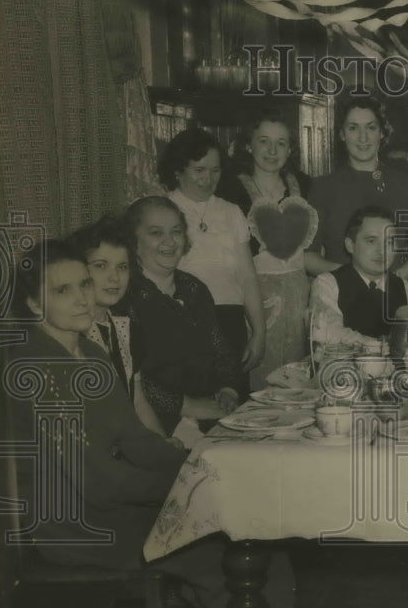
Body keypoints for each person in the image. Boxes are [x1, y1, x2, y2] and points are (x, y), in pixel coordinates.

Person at [0, 240, 326, 608]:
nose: (82, 298)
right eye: (62, 291)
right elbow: (99, 484)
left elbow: (135, 439)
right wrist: (193, 488)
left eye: (83, 284)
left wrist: (202, 466)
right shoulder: (38, 370)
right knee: (223, 546)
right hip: (78, 528)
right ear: (31, 303)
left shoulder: (91, 355)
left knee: (251, 531)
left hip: (114, 507)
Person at [216, 110, 326, 386]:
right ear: (249, 144)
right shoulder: (229, 188)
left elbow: (314, 248)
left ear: (290, 149)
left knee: (300, 379)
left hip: (301, 295)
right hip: (254, 298)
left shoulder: (305, 185)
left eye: (281, 143)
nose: (272, 150)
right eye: (264, 141)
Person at [123, 196, 242, 436]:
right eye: (156, 233)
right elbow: (131, 380)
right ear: (133, 241)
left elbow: (221, 351)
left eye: (176, 232)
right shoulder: (125, 297)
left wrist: (228, 390)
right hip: (156, 423)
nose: (170, 241)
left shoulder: (194, 288)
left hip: (210, 414)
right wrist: (187, 406)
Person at [160, 128, 265, 396]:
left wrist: (258, 332)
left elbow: (248, 277)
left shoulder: (231, 212)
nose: (208, 179)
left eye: (215, 170)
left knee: (232, 412)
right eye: (199, 170)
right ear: (177, 170)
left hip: (230, 324)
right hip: (183, 325)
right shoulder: (161, 211)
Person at [67, 215, 168, 439]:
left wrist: (163, 447)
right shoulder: (69, 335)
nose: (114, 277)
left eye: (122, 267)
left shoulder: (124, 328)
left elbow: (138, 402)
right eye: (101, 266)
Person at [307, 96, 408, 270]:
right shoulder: (322, 188)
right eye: (353, 128)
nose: (362, 137)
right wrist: (353, 281)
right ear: (342, 134)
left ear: (381, 132)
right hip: (338, 292)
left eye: (371, 128)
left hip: (391, 293)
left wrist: (393, 282)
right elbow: (308, 257)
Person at [309, 206, 408, 351]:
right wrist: (377, 346)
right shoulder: (328, 284)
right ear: (350, 245)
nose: (381, 251)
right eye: (371, 241)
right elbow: (327, 332)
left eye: (389, 242)